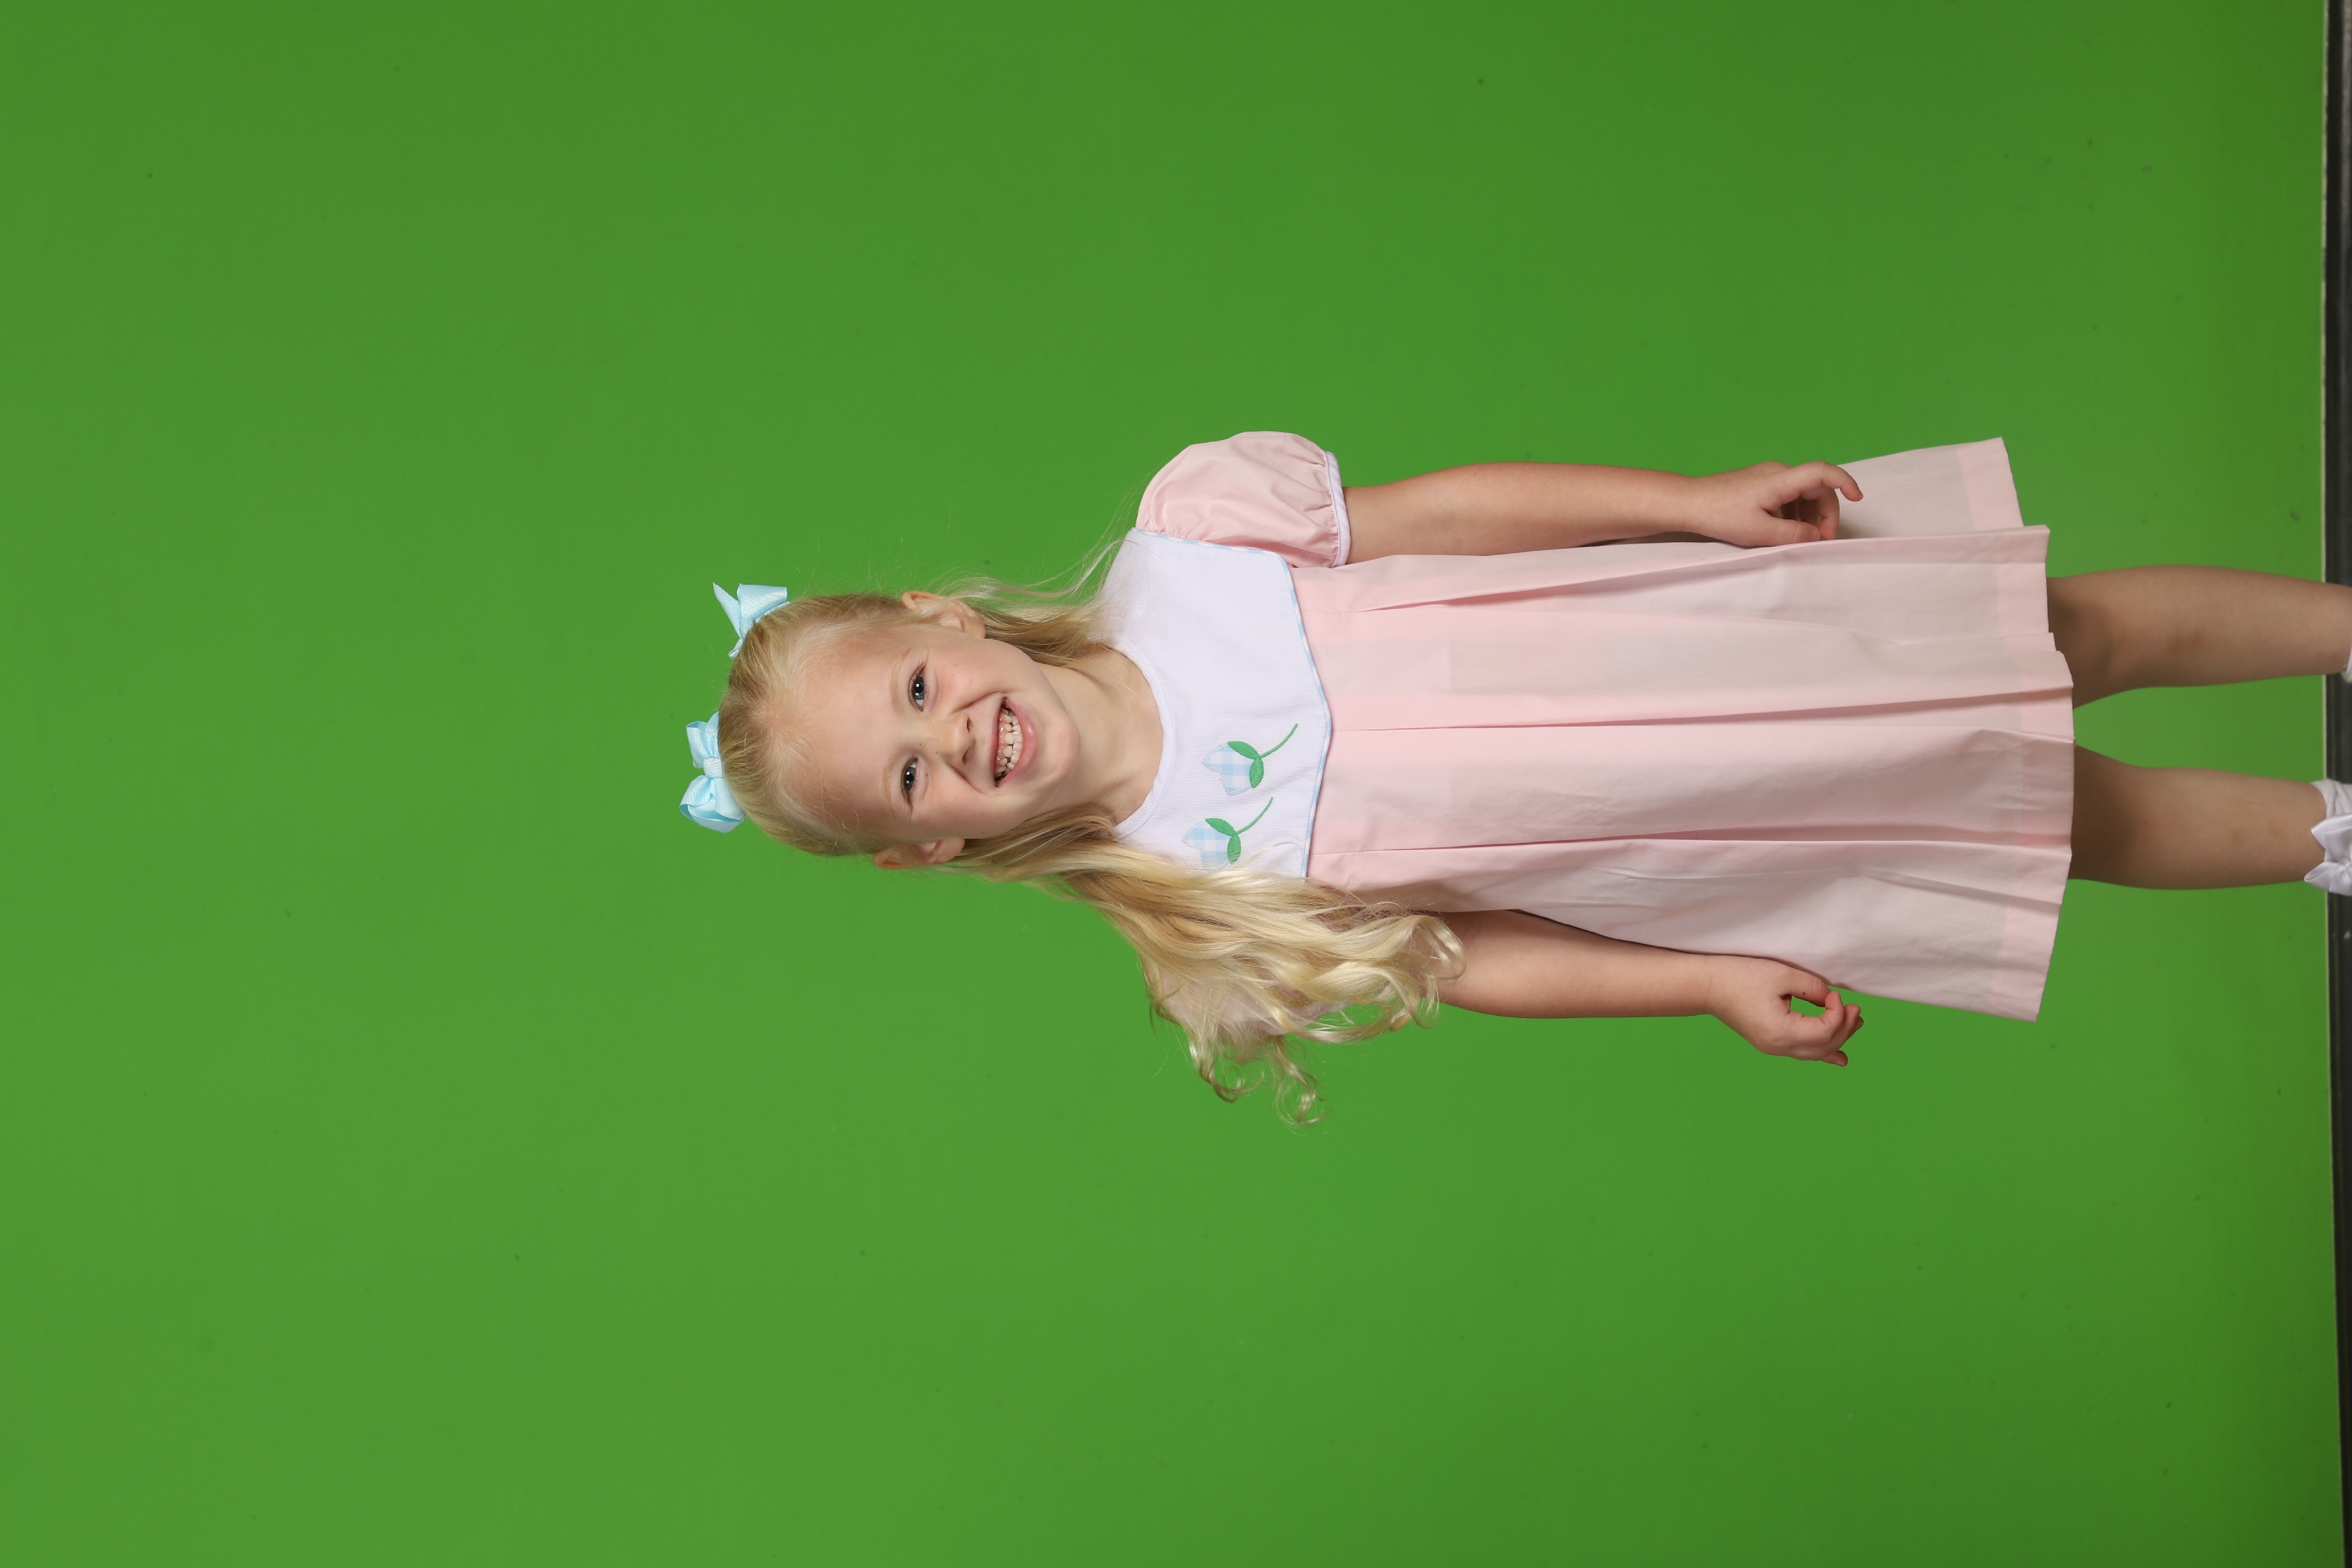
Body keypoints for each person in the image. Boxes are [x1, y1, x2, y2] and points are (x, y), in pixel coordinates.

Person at [677, 432, 2352, 1117]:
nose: (955, 736)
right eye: (911, 780)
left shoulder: (1194, 542)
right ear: (925, 852)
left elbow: (1450, 514)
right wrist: (1702, 981)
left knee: (2060, 628)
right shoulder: (1197, 908)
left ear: (942, 616)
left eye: (917, 691)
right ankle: (2332, 834)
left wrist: (1687, 507)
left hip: (1700, 637)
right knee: (2063, 820)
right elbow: (1469, 957)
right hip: (1709, 823)